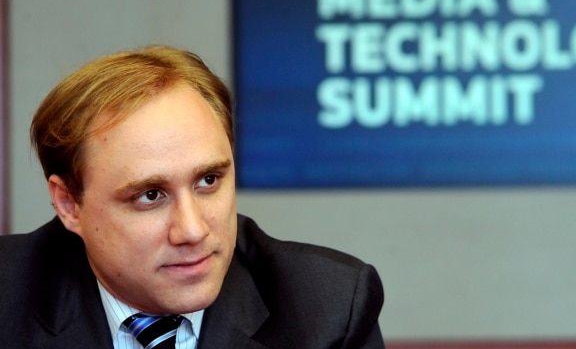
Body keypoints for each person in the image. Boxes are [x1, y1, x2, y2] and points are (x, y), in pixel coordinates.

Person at [0, 45, 385, 349]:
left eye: (208, 180)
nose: (192, 230)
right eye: (150, 195)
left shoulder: (326, 307)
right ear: (69, 204)